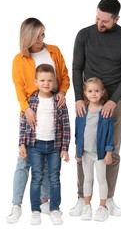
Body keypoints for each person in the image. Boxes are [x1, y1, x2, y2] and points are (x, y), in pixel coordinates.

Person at [70, 0, 121, 217]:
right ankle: (83, 198)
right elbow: (77, 66)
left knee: (111, 151)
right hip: (87, 103)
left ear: (116, 18)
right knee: (83, 149)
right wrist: (79, 97)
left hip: (114, 103)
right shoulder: (84, 35)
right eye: (97, 18)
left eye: (105, 21)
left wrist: (112, 100)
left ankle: (107, 200)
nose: (100, 23)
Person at [7, 17, 70, 224]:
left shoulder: (54, 51)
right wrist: (26, 110)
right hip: (30, 112)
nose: (42, 39)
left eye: (43, 34)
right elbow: (18, 88)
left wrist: (62, 91)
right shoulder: (19, 59)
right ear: (28, 38)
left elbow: (64, 76)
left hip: (52, 110)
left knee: (47, 157)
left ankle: (45, 201)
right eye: (37, 36)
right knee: (24, 160)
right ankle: (16, 204)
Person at [19, 64, 70, 225]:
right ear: (35, 81)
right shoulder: (31, 101)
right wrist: (22, 144)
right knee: (37, 177)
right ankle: (35, 210)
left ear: (54, 81)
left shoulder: (59, 101)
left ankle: (55, 209)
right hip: (36, 146)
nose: (46, 83)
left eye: (49, 80)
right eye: (42, 80)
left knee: (54, 178)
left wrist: (65, 148)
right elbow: (23, 124)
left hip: (55, 147)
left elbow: (66, 125)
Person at [76, 77, 114, 222]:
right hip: (85, 153)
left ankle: (102, 206)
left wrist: (109, 153)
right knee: (87, 179)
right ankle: (86, 206)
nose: (93, 94)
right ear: (85, 93)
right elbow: (78, 133)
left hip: (100, 154)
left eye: (97, 91)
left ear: (102, 92)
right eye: (90, 91)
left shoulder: (105, 112)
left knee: (101, 179)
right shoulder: (82, 111)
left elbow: (110, 135)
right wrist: (77, 151)